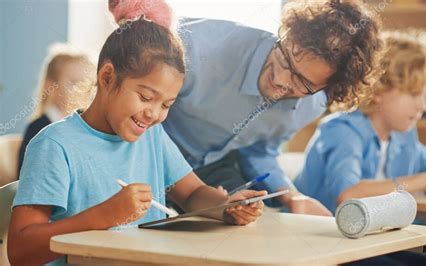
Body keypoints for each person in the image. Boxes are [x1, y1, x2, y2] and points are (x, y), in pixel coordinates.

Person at [8, 1, 265, 265]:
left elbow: (191, 193)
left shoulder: (151, 136)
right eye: (145, 97)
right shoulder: (54, 145)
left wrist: (225, 206)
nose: (154, 114)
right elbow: (20, 251)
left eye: (166, 105)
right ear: (107, 78)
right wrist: (104, 216)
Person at [152, 0, 383, 215]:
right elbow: (137, 112)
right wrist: (188, 186)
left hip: (215, 167)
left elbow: (258, 151)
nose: (281, 80)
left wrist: (292, 197)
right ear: (287, 34)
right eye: (285, 58)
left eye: (301, 82)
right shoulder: (196, 47)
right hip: (153, 149)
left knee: (250, 231)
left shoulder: (313, 104)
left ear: (329, 87)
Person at [294, 28, 426, 215]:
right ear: (377, 90)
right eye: (413, 94)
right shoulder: (342, 131)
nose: (423, 106)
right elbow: (348, 196)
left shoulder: (403, 136)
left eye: (424, 95)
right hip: (318, 239)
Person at [18, 43, 94, 173]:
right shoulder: (38, 129)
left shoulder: (85, 128)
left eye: (86, 83)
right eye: (74, 82)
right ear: (51, 85)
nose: (82, 90)